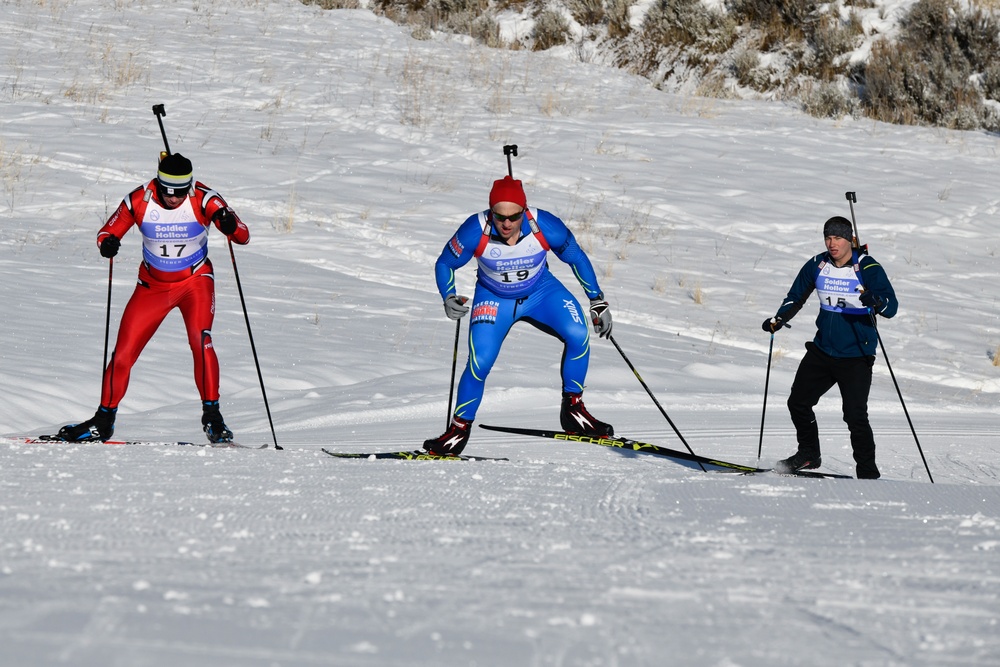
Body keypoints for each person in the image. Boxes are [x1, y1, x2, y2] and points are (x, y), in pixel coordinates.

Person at [56, 153, 250, 443]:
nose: (174, 199)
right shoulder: (139, 200)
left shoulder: (205, 199)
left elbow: (243, 236)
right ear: (158, 184)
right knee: (122, 353)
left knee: (202, 340)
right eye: (168, 192)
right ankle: (103, 421)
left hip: (195, 283)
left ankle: (213, 417)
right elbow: (107, 231)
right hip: (152, 286)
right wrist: (107, 243)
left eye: (180, 193)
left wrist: (229, 223)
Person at [423, 175, 614, 455]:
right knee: (480, 361)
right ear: (491, 212)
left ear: (524, 211)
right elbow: (445, 264)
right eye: (500, 217)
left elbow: (576, 257)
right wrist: (448, 296)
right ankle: (458, 431)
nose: (507, 224)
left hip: (541, 293)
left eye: (514, 217)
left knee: (579, 334)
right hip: (494, 298)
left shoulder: (544, 225)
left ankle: (573, 411)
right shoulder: (474, 230)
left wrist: (597, 300)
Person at [762, 216, 897, 479]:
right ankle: (809, 454)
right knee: (798, 403)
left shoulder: (867, 267)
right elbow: (796, 296)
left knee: (855, 416)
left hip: (856, 355)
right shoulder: (818, 264)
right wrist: (779, 319)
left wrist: (876, 300)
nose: (831, 243)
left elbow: (891, 307)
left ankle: (868, 474)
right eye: (828, 237)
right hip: (823, 350)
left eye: (837, 238)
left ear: (850, 240)